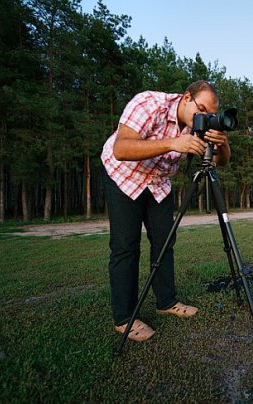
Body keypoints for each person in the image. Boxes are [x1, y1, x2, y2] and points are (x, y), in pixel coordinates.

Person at [101, 80, 231, 341]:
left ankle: (166, 302)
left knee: (164, 242)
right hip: (123, 177)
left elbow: (220, 161)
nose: (204, 117)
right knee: (126, 246)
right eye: (201, 108)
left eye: (209, 114)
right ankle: (124, 318)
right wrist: (174, 143)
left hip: (158, 183)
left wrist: (223, 144)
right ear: (186, 98)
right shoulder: (149, 104)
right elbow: (121, 148)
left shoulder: (199, 125)